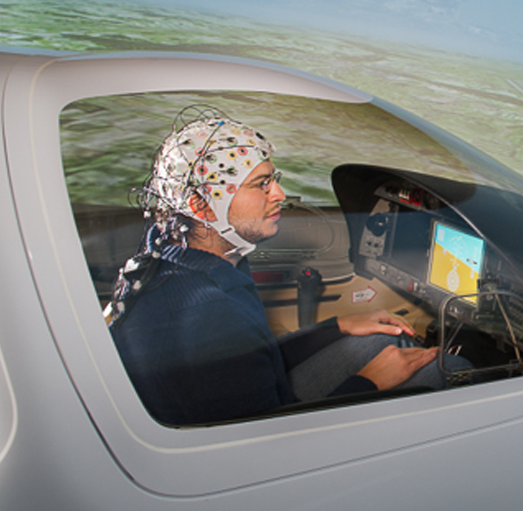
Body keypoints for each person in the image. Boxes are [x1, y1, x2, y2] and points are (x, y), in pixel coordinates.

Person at [109, 110, 468, 426]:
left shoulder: (177, 253)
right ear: (201, 206)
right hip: (257, 445)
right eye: (261, 185)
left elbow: (249, 361)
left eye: (273, 178)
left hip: (249, 407)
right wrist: (369, 383)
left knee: (383, 339)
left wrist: (337, 325)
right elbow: (269, 445)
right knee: (449, 371)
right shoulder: (208, 311)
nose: (279, 193)